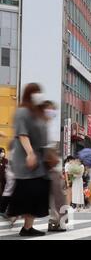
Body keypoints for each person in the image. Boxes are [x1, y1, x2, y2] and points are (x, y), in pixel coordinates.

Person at [7, 83, 50, 237]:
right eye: (35, 92)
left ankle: (26, 226)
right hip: (26, 161)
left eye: (39, 91)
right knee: (29, 192)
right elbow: (22, 134)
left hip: (37, 161)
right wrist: (30, 153)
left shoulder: (36, 112)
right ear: (29, 94)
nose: (38, 94)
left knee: (35, 193)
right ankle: (12, 215)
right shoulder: (23, 111)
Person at [41, 100, 67, 232]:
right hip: (44, 165)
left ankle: (55, 220)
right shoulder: (41, 125)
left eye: (53, 110)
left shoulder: (48, 125)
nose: (51, 112)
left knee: (55, 194)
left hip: (49, 165)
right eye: (49, 109)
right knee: (55, 193)